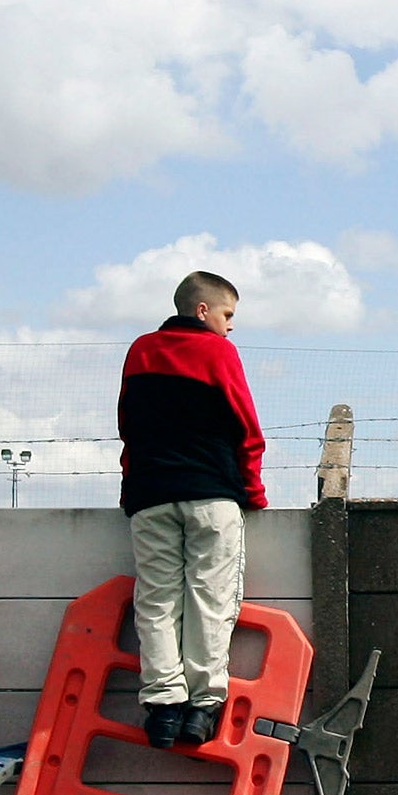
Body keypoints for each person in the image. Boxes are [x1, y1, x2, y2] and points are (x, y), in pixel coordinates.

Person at [118, 270, 267, 751]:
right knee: (211, 597)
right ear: (202, 311)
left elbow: (129, 424)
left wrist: (131, 481)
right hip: (209, 492)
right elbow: (245, 424)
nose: (230, 326)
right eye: (227, 315)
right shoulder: (218, 352)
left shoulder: (140, 350)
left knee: (157, 598)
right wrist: (254, 490)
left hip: (151, 492)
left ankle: (163, 709)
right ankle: (203, 708)